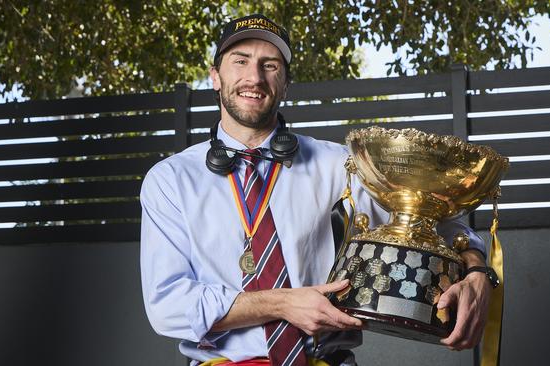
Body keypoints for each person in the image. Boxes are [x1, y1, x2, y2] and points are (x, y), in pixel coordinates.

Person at [140, 14, 494, 366]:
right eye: (240, 61)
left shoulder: (341, 165)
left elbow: (432, 223)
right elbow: (168, 306)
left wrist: (478, 271)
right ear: (215, 76)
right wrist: (281, 303)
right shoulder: (170, 179)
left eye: (270, 65)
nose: (254, 77)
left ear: (286, 83)